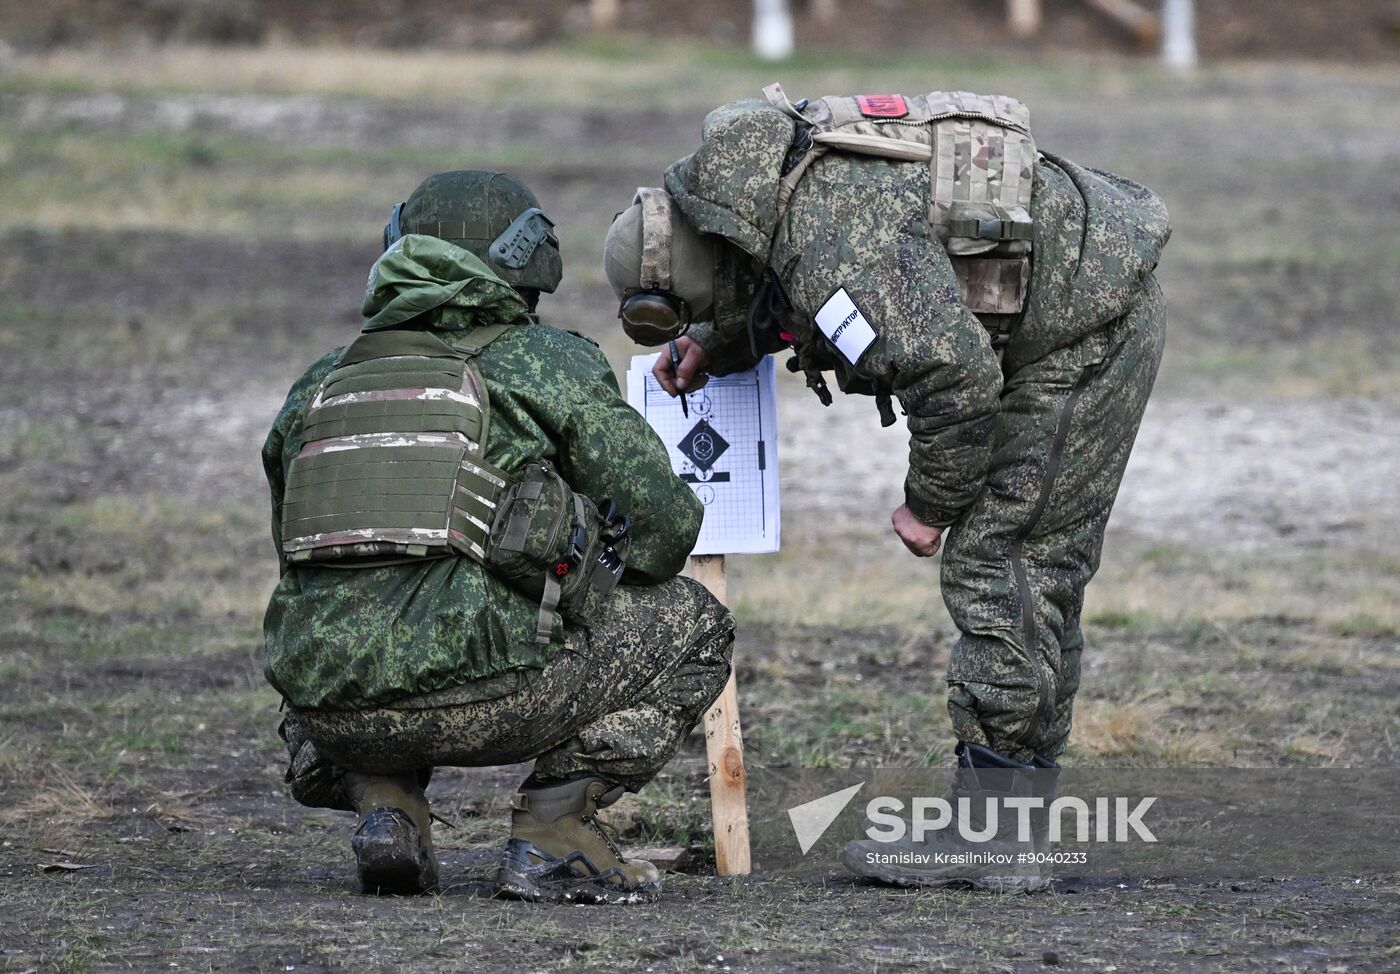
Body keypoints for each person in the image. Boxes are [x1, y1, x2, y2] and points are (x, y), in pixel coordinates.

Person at [603, 86, 1168, 889]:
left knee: (1005, 559)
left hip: (1088, 324)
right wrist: (715, 341)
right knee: (1012, 564)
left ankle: (1000, 841)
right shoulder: (765, 192)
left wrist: (928, 504)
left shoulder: (835, 246)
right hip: (1044, 310)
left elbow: (955, 377)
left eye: (681, 310)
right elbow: (781, 294)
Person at [262, 170, 734, 903]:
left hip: (330, 718)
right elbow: (663, 532)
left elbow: (297, 558)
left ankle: (386, 803)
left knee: (338, 615)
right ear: (526, 262)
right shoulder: (547, 362)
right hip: (492, 695)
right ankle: (553, 834)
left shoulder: (319, 383)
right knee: (697, 625)